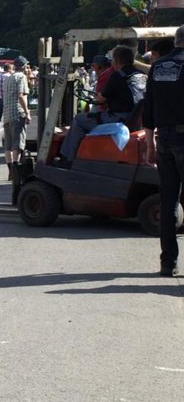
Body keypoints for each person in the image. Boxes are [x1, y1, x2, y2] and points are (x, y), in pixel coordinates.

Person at [58, 45, 145, 167]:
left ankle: (68, 158)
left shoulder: (117, 76)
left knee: (79, 119)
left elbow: (101, 98)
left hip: (118, 118)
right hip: (134, 118)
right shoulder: (141, 75)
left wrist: (96, 97)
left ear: (117, 61)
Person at [143, 25, 184, 276]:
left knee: (169, 200)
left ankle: (168, 262)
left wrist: (150, 143)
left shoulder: (158, 67)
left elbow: (148, 108)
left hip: (164, 137)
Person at [2, 56, 31, 179]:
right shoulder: (21, 77)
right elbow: (21, 96)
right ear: (23, 66)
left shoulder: (8, 78)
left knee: (8, 145)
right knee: (17, 144)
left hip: (7, 114)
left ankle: (10, 170)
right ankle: (15, 171)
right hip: (17, 113)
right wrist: (27, 112)